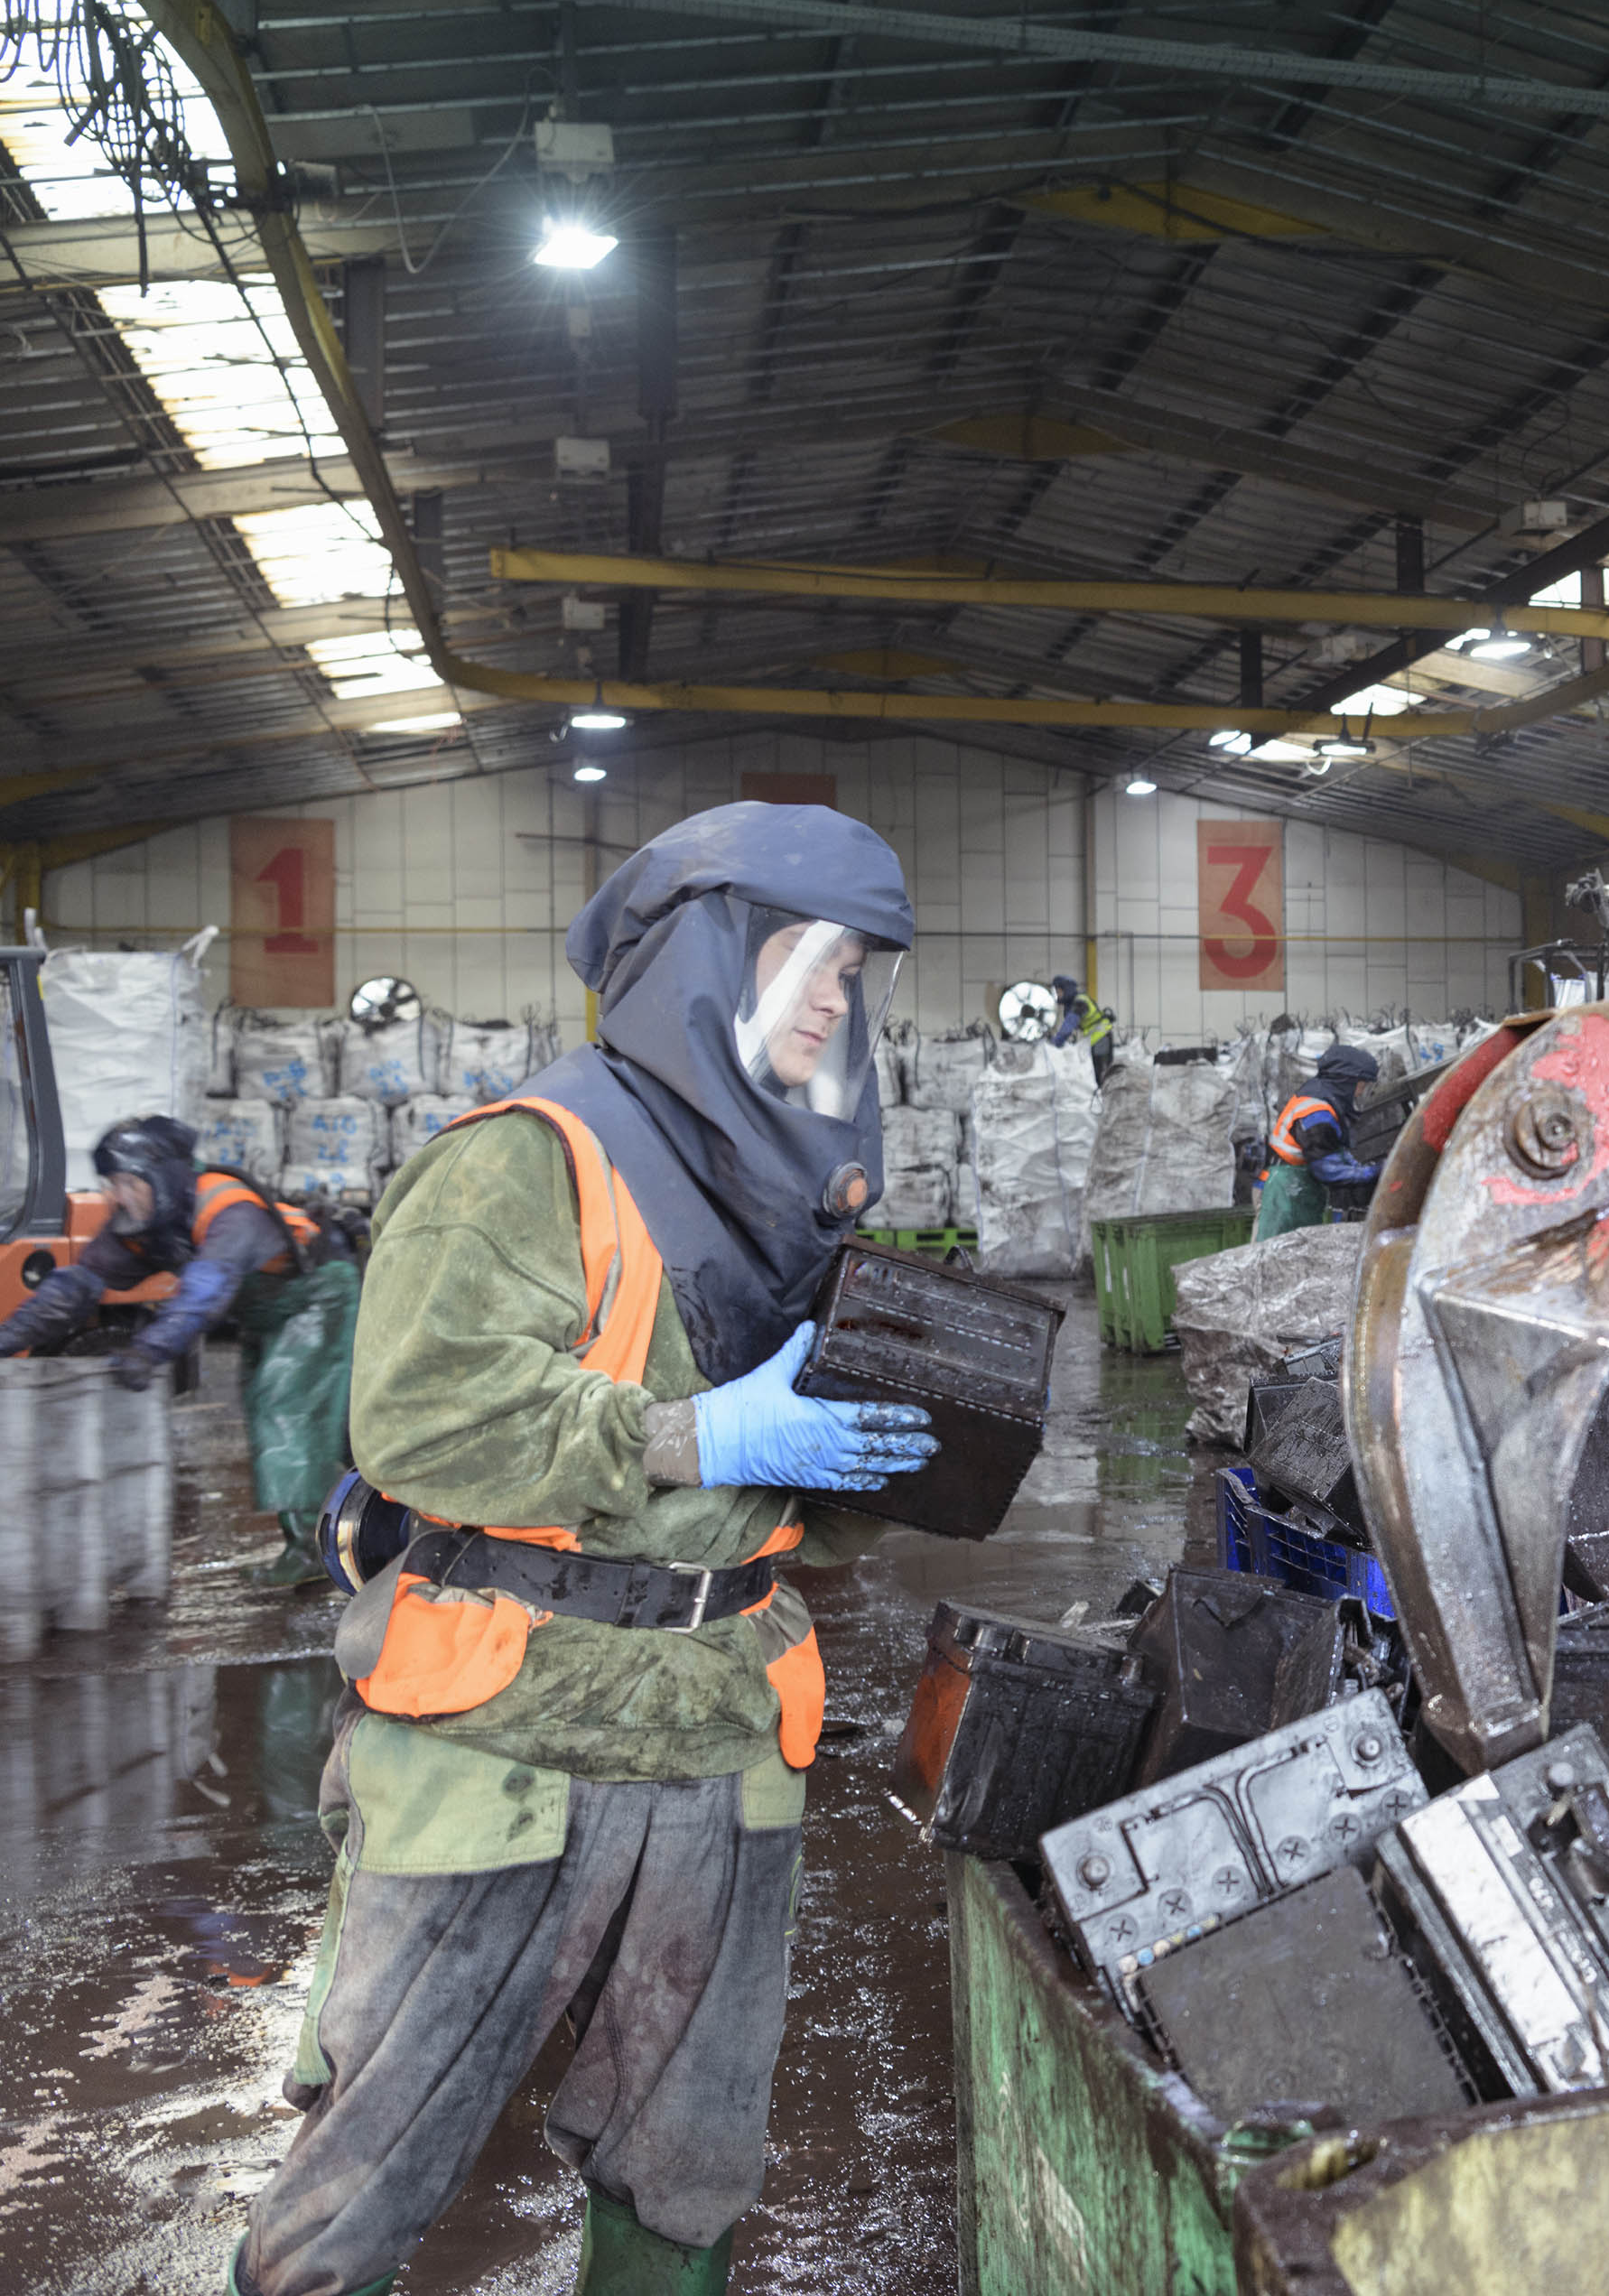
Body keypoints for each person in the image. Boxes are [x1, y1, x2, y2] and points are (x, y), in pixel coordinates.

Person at [233, 803, 936, 2296]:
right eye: (818, 962)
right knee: (372, 2170)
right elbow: (424, 1421)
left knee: (689, 2171)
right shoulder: (524, 1162)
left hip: (720, 1733)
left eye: (861, 974)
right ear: (712, 958)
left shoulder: (795, 1204)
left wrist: (898, 1451)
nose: (839, 1001)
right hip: (512, 1728)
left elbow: (794, 1498)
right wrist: (699, 1437)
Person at [0, 1115, 356, 1587]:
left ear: (162, 1177)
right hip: (268, 1310)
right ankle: (350, 1519)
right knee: (298, 1416)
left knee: (283, 1408)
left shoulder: (228, 1208)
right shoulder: (141, 1225)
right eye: (112, 1183)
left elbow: (203, 1293)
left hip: (317, 1295)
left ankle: (313, 1549)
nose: (117, 1196)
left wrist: (149, 1350)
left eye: (129, 1182)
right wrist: (6, 1338)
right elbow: (76, 1288)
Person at [1253, 1043, 1381, 1237]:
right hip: (1281, 1190)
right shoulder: (1317, 1111)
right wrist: (1375, 1171)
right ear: (1344, 1082)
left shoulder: (1324, 1098)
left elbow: (1335, 1151)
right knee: (1273, 1258)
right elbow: (1328, 1169)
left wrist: (1362, 1167)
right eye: (1360, 1085)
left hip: (1294, 1185)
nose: (1361, 1092)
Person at [1048, 970, 1117, 1084]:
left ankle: (1103, 1097)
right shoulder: (1072, 1004)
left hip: (1102, 1036)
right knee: (1096, 1071)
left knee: (1100, 1072)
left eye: (1059, 991)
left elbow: (1070, 1023)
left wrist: (1057, 1041)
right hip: (1096, 1038)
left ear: (1067, 989)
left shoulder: (1080, 1002)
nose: (1058, 994)